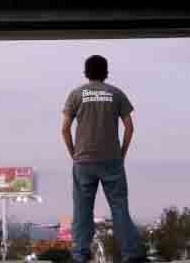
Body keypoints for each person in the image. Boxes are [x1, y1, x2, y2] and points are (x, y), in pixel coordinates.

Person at [62, 55, 144, 263]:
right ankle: (131, 253)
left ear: (85, 73)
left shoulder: (76, 95)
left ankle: (80, 253)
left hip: (83, 160)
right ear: (106, 73)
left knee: (82, 209)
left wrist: (74, 154)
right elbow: (129, 128)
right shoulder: (116, 94)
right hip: (112, 161)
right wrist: (122, 153)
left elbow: (64, 130)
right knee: (119, 207)